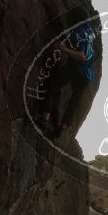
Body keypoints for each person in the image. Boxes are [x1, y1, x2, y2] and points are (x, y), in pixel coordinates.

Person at [39, 8, 96, 136]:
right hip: (87, 74)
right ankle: (60, 129)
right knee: (74, 102)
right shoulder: (89, 30)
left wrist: (64, 49)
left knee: (52, 85)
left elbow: (81, 56)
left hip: (77, 68)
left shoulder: (78, 32)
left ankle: (44, 119)